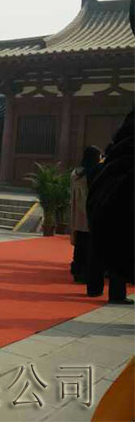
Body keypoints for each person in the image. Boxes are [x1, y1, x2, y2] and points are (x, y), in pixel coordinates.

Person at [86, 110, 134, 305]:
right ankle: (115, 293)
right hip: (116, 218)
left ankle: (94, 287)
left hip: (98, 216)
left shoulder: (99, 171)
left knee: (95, 254)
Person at [69, 146, 101, 284]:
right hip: (89, 212)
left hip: (78, 214)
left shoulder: (75, 172)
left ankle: (77, 270)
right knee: (89, 246)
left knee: (79, 245)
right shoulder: (93, 173)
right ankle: (85, 272)